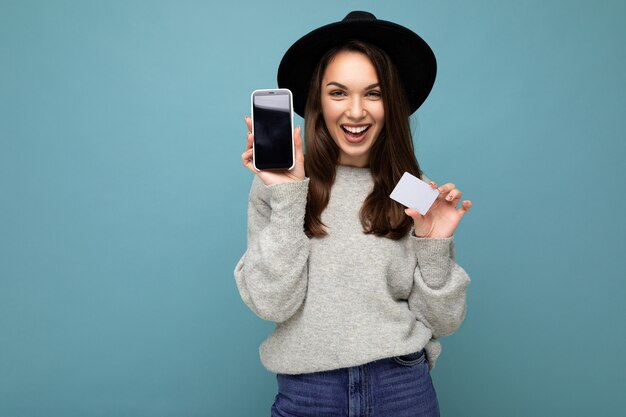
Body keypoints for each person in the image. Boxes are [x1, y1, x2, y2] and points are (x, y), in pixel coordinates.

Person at [235, 11, 473, 417]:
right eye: (339, 92)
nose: (357, 111)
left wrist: (435, 245)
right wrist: (291, 194)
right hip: (309, 394)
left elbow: (445, 322)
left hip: (402, 388)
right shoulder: (280, 186)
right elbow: (270, 304)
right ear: (318, 101)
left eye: (374, 93)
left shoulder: (412, 188)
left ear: (391, 103)